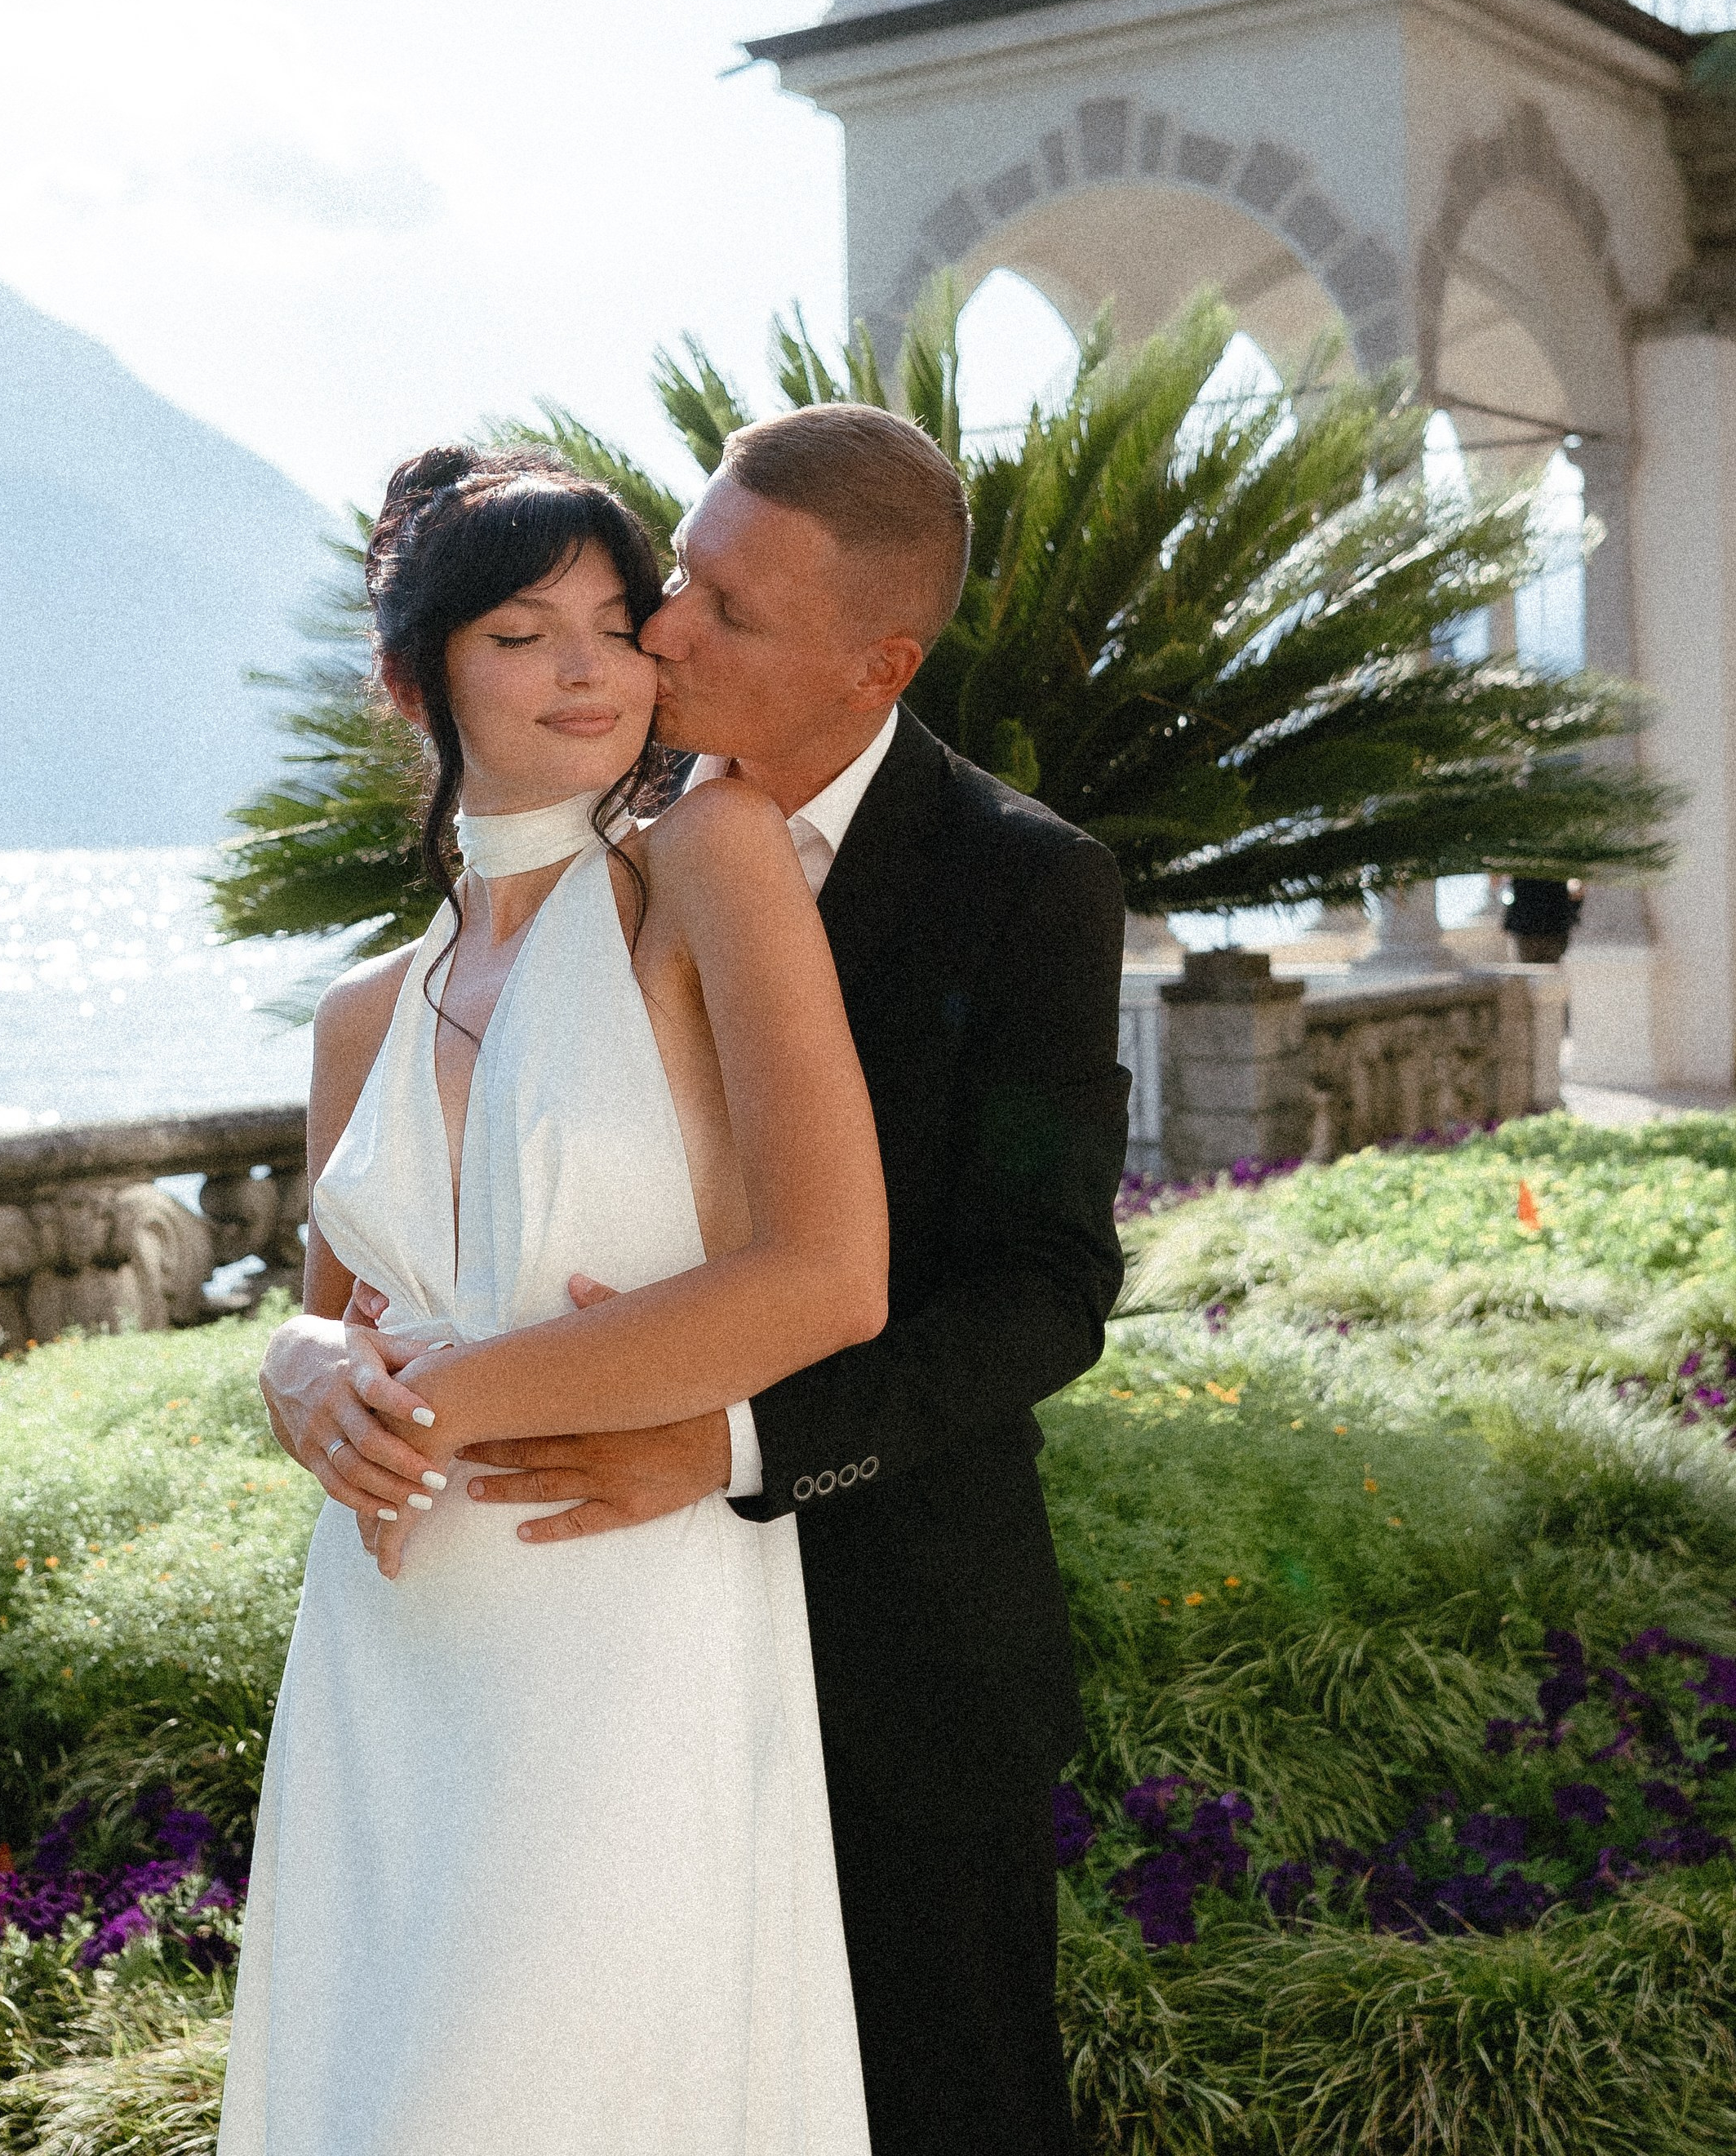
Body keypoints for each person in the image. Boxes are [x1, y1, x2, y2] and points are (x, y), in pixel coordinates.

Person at [263, 402, 1132, 2156]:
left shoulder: (1012, 886)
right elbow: (335, 1287)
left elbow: (1036, 1287)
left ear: (871, 661)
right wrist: (295, 1365)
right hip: (446, 1643)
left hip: (877, 1618)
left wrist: (726, 1441)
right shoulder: (440, 958)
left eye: (711, 613)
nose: (652, 640)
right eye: (673, 583)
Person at [223, 443, 887, 2156]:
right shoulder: (368, 1011)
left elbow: (828, 1277)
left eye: (614, 618)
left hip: (619, 1622)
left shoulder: (706, 865)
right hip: (386, 1643)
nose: (593, 668)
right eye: (523, 632)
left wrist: (463, 1395)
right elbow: (337, 1316)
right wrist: (296, 1366)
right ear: (413, 676)